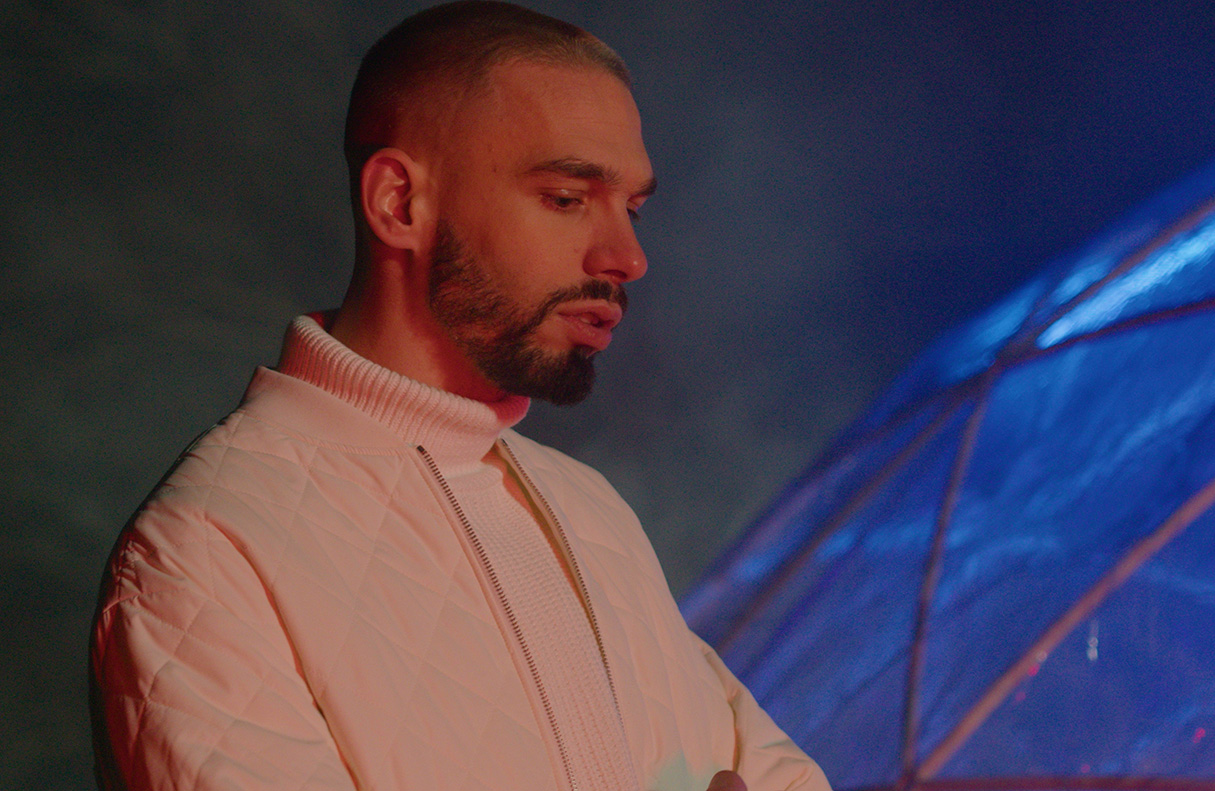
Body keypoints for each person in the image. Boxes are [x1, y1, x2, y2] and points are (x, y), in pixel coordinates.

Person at [88, 3, 831, 790]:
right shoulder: (204, 554)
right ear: (399, 203)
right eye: (567, 198)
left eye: (634, 208)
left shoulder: (593, 510)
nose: (627, 256)